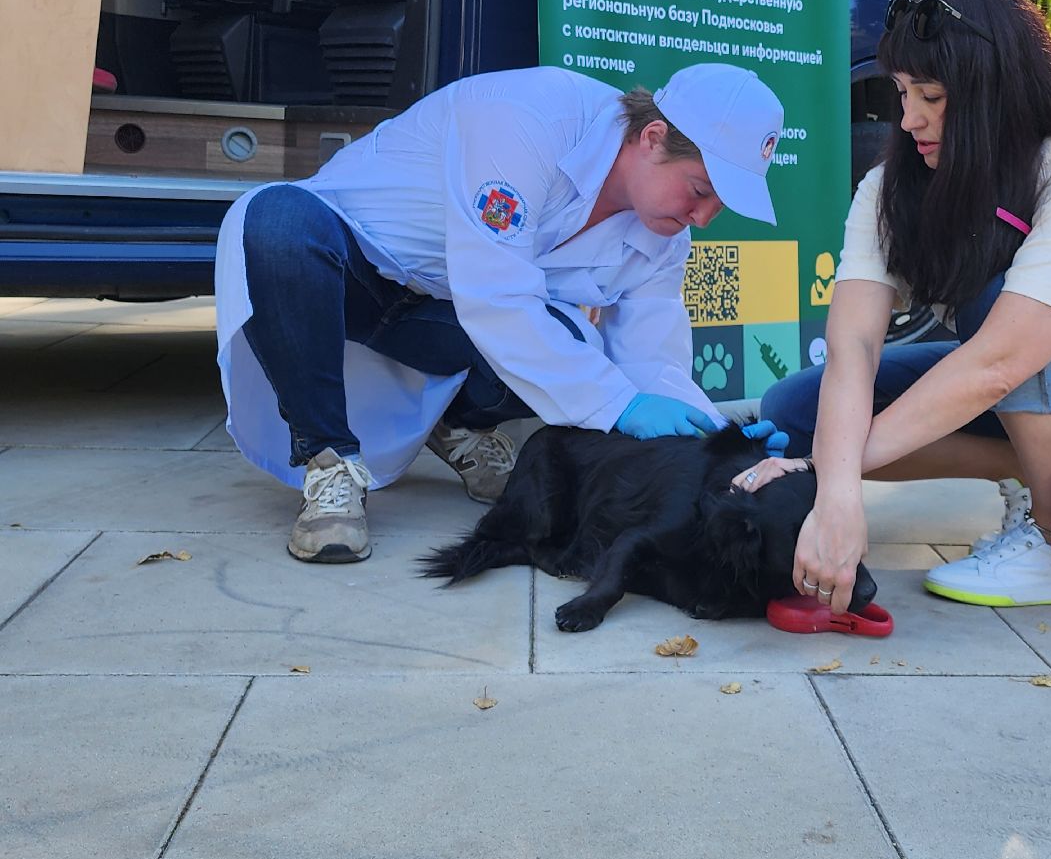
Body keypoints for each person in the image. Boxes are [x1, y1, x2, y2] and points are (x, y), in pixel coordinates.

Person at [738, 0, 1051, 612]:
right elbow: (854, 344)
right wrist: (837, 492)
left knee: (996, 304)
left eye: (932, 96)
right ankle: (1033, 464)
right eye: (902, 91)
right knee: (794, 410)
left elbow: (1003, 360)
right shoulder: (890, 188)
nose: (908, 118)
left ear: (996, 89)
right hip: (1026, 368)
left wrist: (827, 476)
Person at [214, 62, 788, 564]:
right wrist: (621, 403)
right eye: (700, 190)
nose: (703, 217)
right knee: (278, 221)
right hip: (351, 277)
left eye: (720, 205)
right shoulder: (529, 118)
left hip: (442, 320)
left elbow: (651, 363)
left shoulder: (664, 240)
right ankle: (330, 460)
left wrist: (723, 446)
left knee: (569, 340)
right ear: (653, 137)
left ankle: (458, 423)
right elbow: (497, 294)